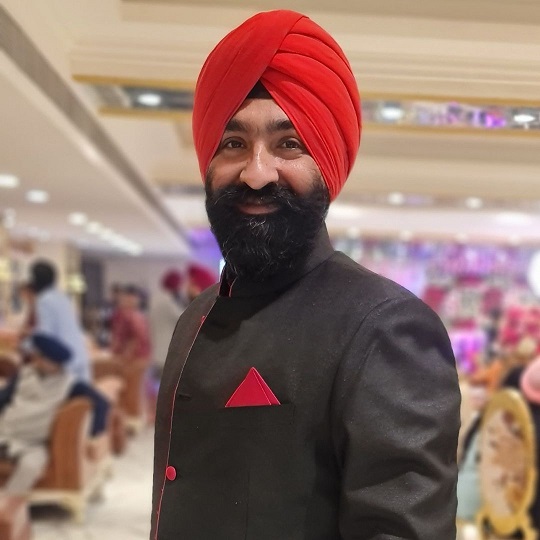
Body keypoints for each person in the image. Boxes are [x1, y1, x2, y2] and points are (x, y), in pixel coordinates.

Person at [152, 10, 460, 540]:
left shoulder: (386, 327)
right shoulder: (195, 317)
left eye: (288, 144)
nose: (256, 172)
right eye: (233, 143)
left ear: (325, 165)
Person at [29, 260, 91, 382]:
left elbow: (46, 334)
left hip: (64, 361)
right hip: (80, 355)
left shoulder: (44, 300)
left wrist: (27, 345)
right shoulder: (63, 297)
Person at [150, 270, 186, 377]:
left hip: (156, 350)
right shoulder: (168, 301)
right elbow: (182, 317)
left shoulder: (155, 298)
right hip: (166, 352)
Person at [111, 284, 152, 365]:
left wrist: (124, 354)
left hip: (132, 359)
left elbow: (136, 338)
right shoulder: (123, 314)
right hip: (135, 357)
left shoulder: (131, 316)